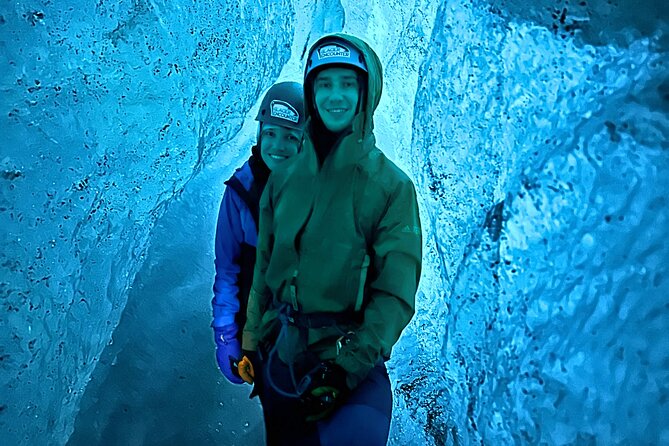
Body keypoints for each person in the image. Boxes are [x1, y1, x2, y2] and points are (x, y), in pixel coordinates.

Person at [239, 34, 423, 445]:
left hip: (352, 368)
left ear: (366, 90)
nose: (335, 95)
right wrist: (252, 342)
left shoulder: (391, 188)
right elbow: (265, 272)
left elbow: (394, 295)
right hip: (283, 362)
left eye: (347, 83)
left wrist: (345, 369)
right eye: (324, 84)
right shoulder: (284, 181)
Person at [211, 81, 305, 385]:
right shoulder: (240, 192)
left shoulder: (316, 193)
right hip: (258, 328)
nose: (278, 145)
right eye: (270, 133)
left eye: (290, 136)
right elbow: (227, 270)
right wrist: (226, 336)